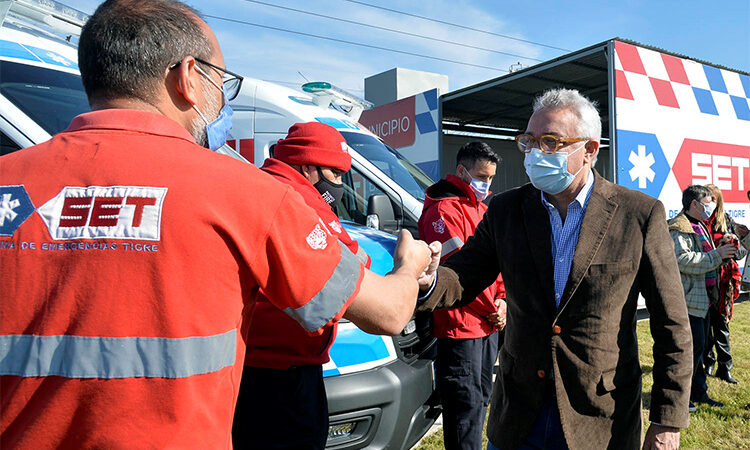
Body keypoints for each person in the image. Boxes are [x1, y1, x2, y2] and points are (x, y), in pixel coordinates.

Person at [0, 1, 436, 448]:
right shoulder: (247, 194)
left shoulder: (8, 181)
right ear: (189, 76)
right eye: (221, 80)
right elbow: (387, 311)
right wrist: (409, 264)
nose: (222, 98)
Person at [418, 88, 693, 450]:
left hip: (599, 419)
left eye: (550, 141)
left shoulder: (638, 215)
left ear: (590, 151)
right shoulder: (505, 210)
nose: (535, 153)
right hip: (520, 414)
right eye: (529, 141)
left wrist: (667, 421)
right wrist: (429, 280)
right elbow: (464, 276)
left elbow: (671, 323)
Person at [233, 122, 371, 449]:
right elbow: (349, 265)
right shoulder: (298, 201)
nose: (339, 185)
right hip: (284, 376)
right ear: (309, 167)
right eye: (336, 175)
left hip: (250, 368)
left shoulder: (260, 187)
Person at [418, 141, 506, 450]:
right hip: (459, 323)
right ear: (461, 171)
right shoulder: (443, 210)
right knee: (464, 406)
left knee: (481, 398)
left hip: (485, 322)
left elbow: (498, 264)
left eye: (491, 178)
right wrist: (492, 307)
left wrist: (503, 301)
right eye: (482, 176)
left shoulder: (480, 207)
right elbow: (460, 272)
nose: (487, 184)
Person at [668, 185, 737, 411]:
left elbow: (703, 254)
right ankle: (681, 399)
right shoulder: (679, 228)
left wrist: (721, 247)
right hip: (688, 301)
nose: (713, 206)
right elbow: (683, 260)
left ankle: (699, 393)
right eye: (709, 201)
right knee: (688, 355)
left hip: (704, 301)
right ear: (695, 204)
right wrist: (717, 255)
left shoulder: (700, 225)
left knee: (698, 353)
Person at [702, 184, 747, 385]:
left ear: (717, 201)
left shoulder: (727, 221)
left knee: (721, 324)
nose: (706, 202)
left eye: (710, 198)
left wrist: (731, 247)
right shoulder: (697, 220)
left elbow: (742, 251)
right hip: (702, 278)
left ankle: (724, 367)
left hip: (722, 281)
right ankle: (707, 361)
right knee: (704, 325)